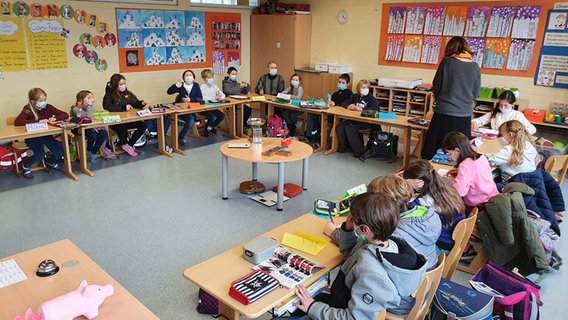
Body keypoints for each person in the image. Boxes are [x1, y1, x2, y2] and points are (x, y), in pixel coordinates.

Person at [283, 193, 428, 320]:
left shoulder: (372, 275)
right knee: (294, 302)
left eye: (353, 219)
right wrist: (347, 228)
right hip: (338, 301)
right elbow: (349, 254)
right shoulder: (385, 244)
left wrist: (312, 308)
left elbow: (352, 317)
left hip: (339, 311)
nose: (350, 220)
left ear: (365, 229)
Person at [422, 36, 481, 160]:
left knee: (436, 150)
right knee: (461, 152)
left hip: (444, 113)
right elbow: (476, 94)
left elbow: (436, 87)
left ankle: (433, 175)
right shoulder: (475, 66)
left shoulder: (447, 62)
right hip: (464, 116)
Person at [367, 174, 442, 270]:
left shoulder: (392, 232)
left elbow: (358, 253)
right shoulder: (428, 214)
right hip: (429, 272)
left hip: (410, 280)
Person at [402, 160, 466, 254]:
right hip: (452, 237)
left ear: (419, 184)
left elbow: (402, 207)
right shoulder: (446, 182)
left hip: (441, 245)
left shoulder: (421, 203)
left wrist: (407, 188)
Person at [14, 88, 68, 178]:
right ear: (33, 101)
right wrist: (38, 121)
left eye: (45, 100)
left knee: (59, 152)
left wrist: (56, 118)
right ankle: (25, 166)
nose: (44, 102)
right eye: (41, 100)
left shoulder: (48, 107)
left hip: (45, 135)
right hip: (32, 137)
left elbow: (65, 114)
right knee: (40, 155)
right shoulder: (28, 109)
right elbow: (18, 122)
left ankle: (50, 162)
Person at [442, 131, 499, 209]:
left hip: (478, 205)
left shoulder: (465, 165)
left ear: (457, 151)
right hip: (492, 197)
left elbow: (459, 192)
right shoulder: (481, 156)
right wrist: (459, 173)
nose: (449, 158)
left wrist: (444, 184)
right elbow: (475, 173)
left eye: (449, 154)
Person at [102, 74, 148, 157]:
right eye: (121, 84)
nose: (123, 86)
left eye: (124, 83)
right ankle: (124, 143)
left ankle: (129, 145)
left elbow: (135, 102)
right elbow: (108, 107)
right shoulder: (109, 95)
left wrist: (141, 103)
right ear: (115, 85)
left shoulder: (127, 93)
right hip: (115, 122)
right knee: (122, 128)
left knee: (143, 125)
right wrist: (123, 107)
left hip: (127, 120)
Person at [304, 73, 353, 144]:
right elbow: (330, 102)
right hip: (330, 112)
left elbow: (345, 105)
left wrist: (335, 104)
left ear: (347, 84)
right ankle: (309, 135)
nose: (340, 84)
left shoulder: (349, 93)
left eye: (343, 83)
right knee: (312, 113)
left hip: (338, 116)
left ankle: (317, 137)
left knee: (321, 117)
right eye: (339, 82)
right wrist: (327, 102)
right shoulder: (336, 93)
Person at [336, 79, 379, 158]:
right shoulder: (355, 96)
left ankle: (358, 149)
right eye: (363, 87)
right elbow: (344, 103)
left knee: (350, 128)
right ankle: (344, 145)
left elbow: (376, 109)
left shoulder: (370, 98)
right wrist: (349, 106)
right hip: (354, 119)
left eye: (367, 87)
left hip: (366, 121)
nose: (365, 89)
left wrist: (362, 109)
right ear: (358, 88)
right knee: (340, 127)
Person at [71, 90, 115, 163]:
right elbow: (88, 116)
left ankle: (93, 152)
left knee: (103, 134)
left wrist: (90, 105)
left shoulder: (89, 106)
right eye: (88, 98)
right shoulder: (76, 108)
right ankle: (89, 149)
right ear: (82, 99)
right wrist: (90, 105)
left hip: (91, 127)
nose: (91, 99)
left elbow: (91, 116)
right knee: (93, 136)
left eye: (91, 97)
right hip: (81, 128)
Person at [472, 90, 536, 135]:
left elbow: (532, 129)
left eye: (506, 105)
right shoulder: (495, 113)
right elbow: (479, 120)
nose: (502, 107)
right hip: (495, 140)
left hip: (511, 142)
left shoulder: (518, 115)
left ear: (512, 105)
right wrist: (474, 123)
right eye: (500, 105)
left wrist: (520, 133)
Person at [166, 69, 201, 146]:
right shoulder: (181, 85)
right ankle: (162, 137)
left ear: (193, 77)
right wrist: (175, 86)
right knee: (168, 117)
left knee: (191, 121)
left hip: (190, 110)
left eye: (190, 75)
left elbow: (200, 98)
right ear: (183, 77)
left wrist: (190, 100)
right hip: (179, 109)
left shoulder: (196, 86)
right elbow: (169, 92)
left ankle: (181, 137)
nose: (189, 77)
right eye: (187, 75)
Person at [200, 69, 225, 137]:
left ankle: (210, 127)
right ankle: (206, 130)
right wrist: (214, 97)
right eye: (209, 78)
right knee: (212, 117)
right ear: (204, 79)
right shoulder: (202, 87)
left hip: (213, 107)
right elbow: (203, 98)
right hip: (204, 108)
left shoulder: (214, 86)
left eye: (212, 77)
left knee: (222, 116)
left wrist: (220, 97)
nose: (211, 79)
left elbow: (223, 95)